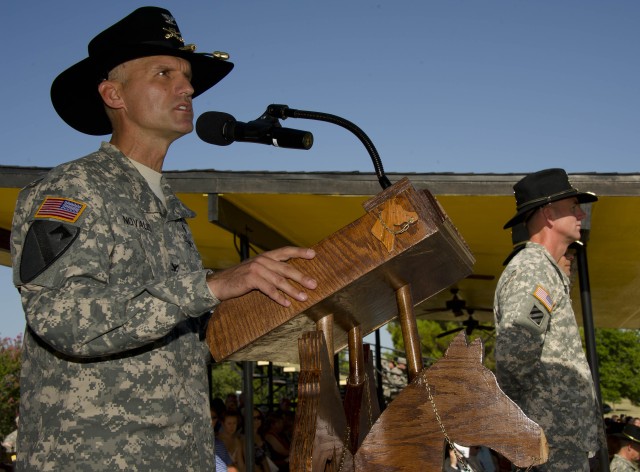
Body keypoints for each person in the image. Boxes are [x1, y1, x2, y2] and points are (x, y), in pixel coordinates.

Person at [10, 7, 317, 471]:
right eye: (164, 73)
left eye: (187, 76)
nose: (188, 88)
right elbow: (61, 317)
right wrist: (210, 286)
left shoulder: (168, 208)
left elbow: (178, 336)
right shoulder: (73, 190)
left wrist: (274, 302)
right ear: (114, 94)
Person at [494, 168, 605, 471]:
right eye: (573, 207)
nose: (581, 215)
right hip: (549, 442)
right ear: (549, 215)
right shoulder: (533, 271)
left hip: (559, 440)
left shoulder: (545, 273)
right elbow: (513, 355)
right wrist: (529, 424)